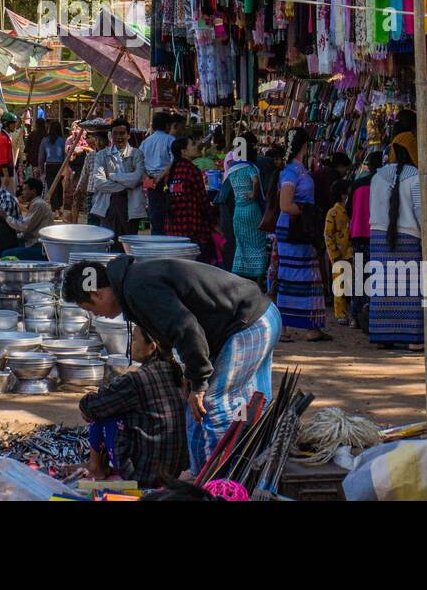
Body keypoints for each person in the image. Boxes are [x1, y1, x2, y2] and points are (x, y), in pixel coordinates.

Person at [64, 256, 281, 476]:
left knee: (211, 407)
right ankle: (247, 470)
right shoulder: (133, 283)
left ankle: (215, 484)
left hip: (248, 324)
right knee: (252, 402)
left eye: (89, 308)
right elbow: (169, 333)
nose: (95, 314)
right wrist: (187, 371)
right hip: (259, 317)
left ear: (96, 294)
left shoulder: (138, 287)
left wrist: (199, 382)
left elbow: (185, 328)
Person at [78, 323, 188, 487]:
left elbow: (91, 406)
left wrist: (88, 406)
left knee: (103, 409)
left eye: (135, 339)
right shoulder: (174, 371)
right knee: (110, 404)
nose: (131, 344)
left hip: (142, 473)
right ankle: (97, 464)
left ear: (152, 347)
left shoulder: (137, 380)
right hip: (174, 470)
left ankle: (95, 467)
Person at [271, 128, 330, 341]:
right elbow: (285, 204)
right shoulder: (291, 172)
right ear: (305, 145)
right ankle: (289, 327)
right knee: (293, 275)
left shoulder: (296, 170)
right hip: (294, 230)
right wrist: (307, 213)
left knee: (301, 275)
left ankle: (306, 326)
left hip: (297, 229)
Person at [368, 140, 423, 351]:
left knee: (382, 286)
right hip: (409, 238)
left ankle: (383, 335)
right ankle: (413, 339)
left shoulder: (377, 177)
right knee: (411, 289)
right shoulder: (416, 176)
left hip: (379, 237)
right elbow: (420, 211)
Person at [221, 133, 269, 286]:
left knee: (241, 244)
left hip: (238, 212)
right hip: (251, 209)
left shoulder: (231, 169)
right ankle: (259, 277)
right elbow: (256, 183)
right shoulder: (251, 167)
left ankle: (240, 276)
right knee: (257, 242)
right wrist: (253, 194)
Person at [161, 135, 217, 263]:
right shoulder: (192, 171)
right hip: (192, 227)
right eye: (192, 144)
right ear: (183, 151)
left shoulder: (171, 172)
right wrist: (213, 222)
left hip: (173, 227)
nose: (196, 146)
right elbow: (203, 200)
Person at [88, 118, 146, 238]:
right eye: (115, 133)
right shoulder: (101, 155)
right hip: (109, 204)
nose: (119, 137)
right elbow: (99, 183)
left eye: (122, 133)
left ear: (128, 135)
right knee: (109, 241)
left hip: (130, 204)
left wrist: (114, 177)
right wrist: (126, 184)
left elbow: (137, 177)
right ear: (111, 135)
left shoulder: (137, 154)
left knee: (129, 242)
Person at [347, 151, 384, 329]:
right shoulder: (383, 183)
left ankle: (355, 315)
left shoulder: (357, 184)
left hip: (358, 233)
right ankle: (371, 315)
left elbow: (349, 209)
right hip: (376, 234)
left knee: (359, 275)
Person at [323, 179, 353, 326]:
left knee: (351, 284)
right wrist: (333, 254)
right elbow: (328, 235)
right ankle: (340, 312)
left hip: (350, 253)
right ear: (343, 195)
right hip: (339, 255)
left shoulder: (350, 210)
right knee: (339, 285)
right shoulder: (333, 213)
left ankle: (350, 312)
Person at [140, 111, 176, 235]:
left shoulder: (146, 142)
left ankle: (156, 240)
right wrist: (160, 177)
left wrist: (148, 179)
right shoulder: (170, 139)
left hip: (151, 182)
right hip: (167, 181)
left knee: (155, 215)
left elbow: (139, 163)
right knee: (169, 214)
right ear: (167, 126)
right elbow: (174, 161)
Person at [3, 177, 55, 259]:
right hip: (33, 242)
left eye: (25, 190)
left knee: (6, 254)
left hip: (40, 247)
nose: (22, 193)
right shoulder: (35, 203)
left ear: (33, 191)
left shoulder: (38, 204)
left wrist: (6, 217)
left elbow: (24, 226)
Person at [38, 120, 66, 208]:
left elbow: (41, 158)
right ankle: (58, 206)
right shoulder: (62, 141)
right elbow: (65, 156)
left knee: (51, 187)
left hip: (50, 166)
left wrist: (42, 170)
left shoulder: (45, 140)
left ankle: (55, 208)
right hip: (60, 166)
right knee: (59, 186)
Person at [0, 113, 16, 179]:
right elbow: (3, 159)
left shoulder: (5, 136)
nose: (15, 125)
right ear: (6, 124)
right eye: (12, 123)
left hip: (5, 172)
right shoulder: (3, 138)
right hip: (2, 174)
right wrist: (6, 175)